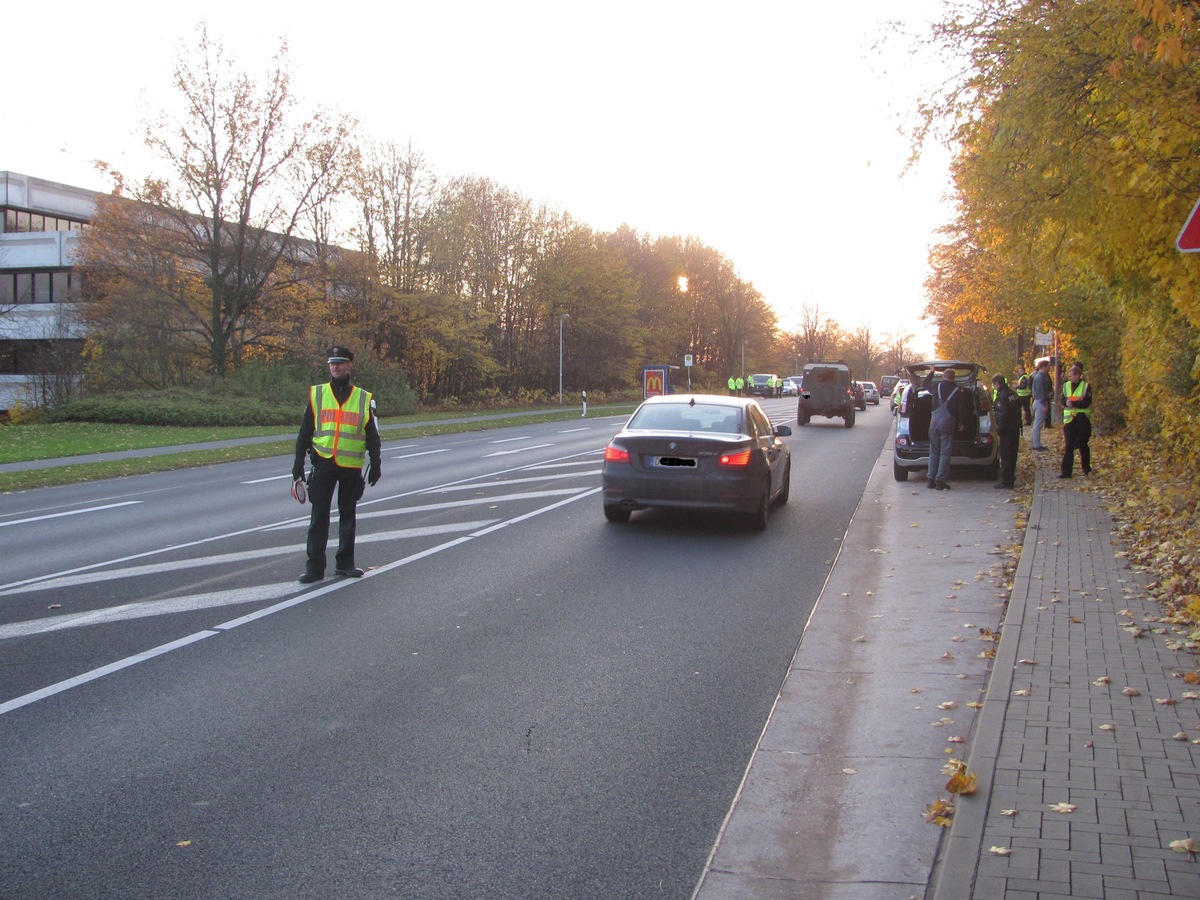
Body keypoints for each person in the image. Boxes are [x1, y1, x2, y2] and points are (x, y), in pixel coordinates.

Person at [293, 345, 382, 583]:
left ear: (349, 366)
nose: (335, 366)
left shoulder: (363, 398)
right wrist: (297, 465)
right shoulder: (318, 394)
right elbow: (305, 431)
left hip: (351, 466)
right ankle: (314, 567)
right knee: (319, 516)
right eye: (332, 363)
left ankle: (345, 563)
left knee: (348, 516)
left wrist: (376, 462)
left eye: (340, 363)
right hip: (323, 463)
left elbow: (372, 434)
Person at [925, 367, 968, 490]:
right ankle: (940, 481)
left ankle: (930, 480)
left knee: (933, 452)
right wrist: (962, 423)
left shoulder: (936, 386)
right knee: (945, 453)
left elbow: (925, 383)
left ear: (943, 376)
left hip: (933, 423)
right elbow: (962, 409)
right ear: (953, 378)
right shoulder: (957, 391)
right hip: (947, 424)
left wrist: (932, 372)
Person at [1058, 362, 1092, 478]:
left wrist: (1074, 403)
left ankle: (1086, 469)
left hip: (1082, 419)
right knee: (1069, 446)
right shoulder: (1066, 386)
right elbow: (1062, 400)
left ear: (1077, 375)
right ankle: (1066, 472)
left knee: (1083, 444)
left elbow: (1087, 402)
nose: (1070, 378)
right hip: (1069, 420)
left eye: (1071, 375)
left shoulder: (1086, 386)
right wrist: (1065, 403)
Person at [990, 374, 1021, 489]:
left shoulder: (1002, 396)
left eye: (994, 384)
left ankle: (1007, 481)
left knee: (1006, 455)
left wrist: (999, 430)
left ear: (997, 384)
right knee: (1013, 455)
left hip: (1007, 430)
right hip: (1015, 428)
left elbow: (1002, 415)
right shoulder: (1013, 394)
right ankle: (1011, 478)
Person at [1029, 358, 1052, 451]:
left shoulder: (1040, 376)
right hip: (1040, 402)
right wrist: (1044, 404)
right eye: (1048, 367)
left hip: (1039, 401)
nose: (1049, 369)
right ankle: (1036, 445)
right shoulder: (1040, 378)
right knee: (1038, 424)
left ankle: (1037, 443)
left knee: (1038, 424)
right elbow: (1041, 392)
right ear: (1043, 367)